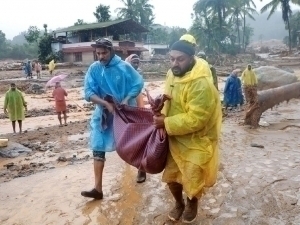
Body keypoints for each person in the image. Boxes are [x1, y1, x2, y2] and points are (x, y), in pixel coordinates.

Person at [153, 40, 222, 223]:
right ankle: (178, 203)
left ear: (192, 58)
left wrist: (166, 122)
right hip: (174, 136)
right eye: (172, 59)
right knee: (172, 176)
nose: (175, 64)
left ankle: (192, 203)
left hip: (197, 138)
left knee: (192, 176)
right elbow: (170, 95)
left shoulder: (201, 84)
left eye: (180, 59)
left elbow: (197, 119)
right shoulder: (171, 74)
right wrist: (161, 101)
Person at [81, 38, 143, 200]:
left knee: (131, 143)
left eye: (104, 53)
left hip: (124, 111)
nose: (101, 56)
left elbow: (138, 84)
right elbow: (88, 92)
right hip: (104, 114)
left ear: (111, 51)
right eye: (98, 53)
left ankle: (141, 166)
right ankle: (97, 188)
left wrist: (125, 99)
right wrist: (104, 104)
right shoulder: (94, 69)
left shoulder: (124, 67)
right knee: (98, 145)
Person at [125, 54, 147, 183]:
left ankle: (141, 169)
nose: (136, 64)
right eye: (133, 62)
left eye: (138, 62)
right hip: (125, 111)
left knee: (139, 140)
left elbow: (139, 94)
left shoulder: (138, 75)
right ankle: (129, 166)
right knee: (127, 140)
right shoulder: (123, 74)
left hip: (137, 109)